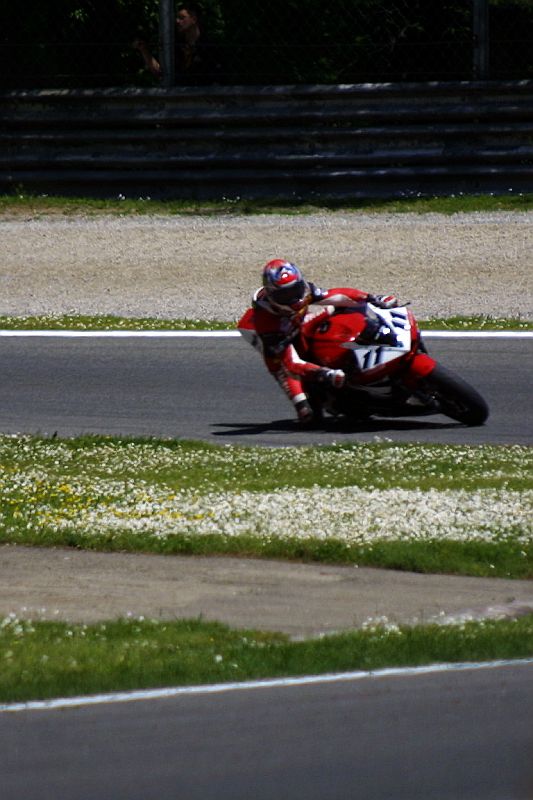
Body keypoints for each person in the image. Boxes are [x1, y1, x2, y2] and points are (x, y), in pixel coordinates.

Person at [251, 259, 399, 426]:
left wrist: (373, 298)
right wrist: (325, 373)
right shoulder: (266, 323)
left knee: (339, 309)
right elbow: (291, 363)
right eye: (285, 295)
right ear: (272, 295)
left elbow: (334, 296)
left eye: (295, 289)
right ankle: (307, 402)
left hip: (299, 325)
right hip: (282, 348)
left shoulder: (304, 290)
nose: (294, 297)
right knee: (308, 415)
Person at [133, 3, 212, 84]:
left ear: (194, 19)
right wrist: (144, 50)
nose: (177, 21)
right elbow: (160, 72)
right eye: (177, 17)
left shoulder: (208, 45)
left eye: (182, 18)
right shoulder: (175, 43)